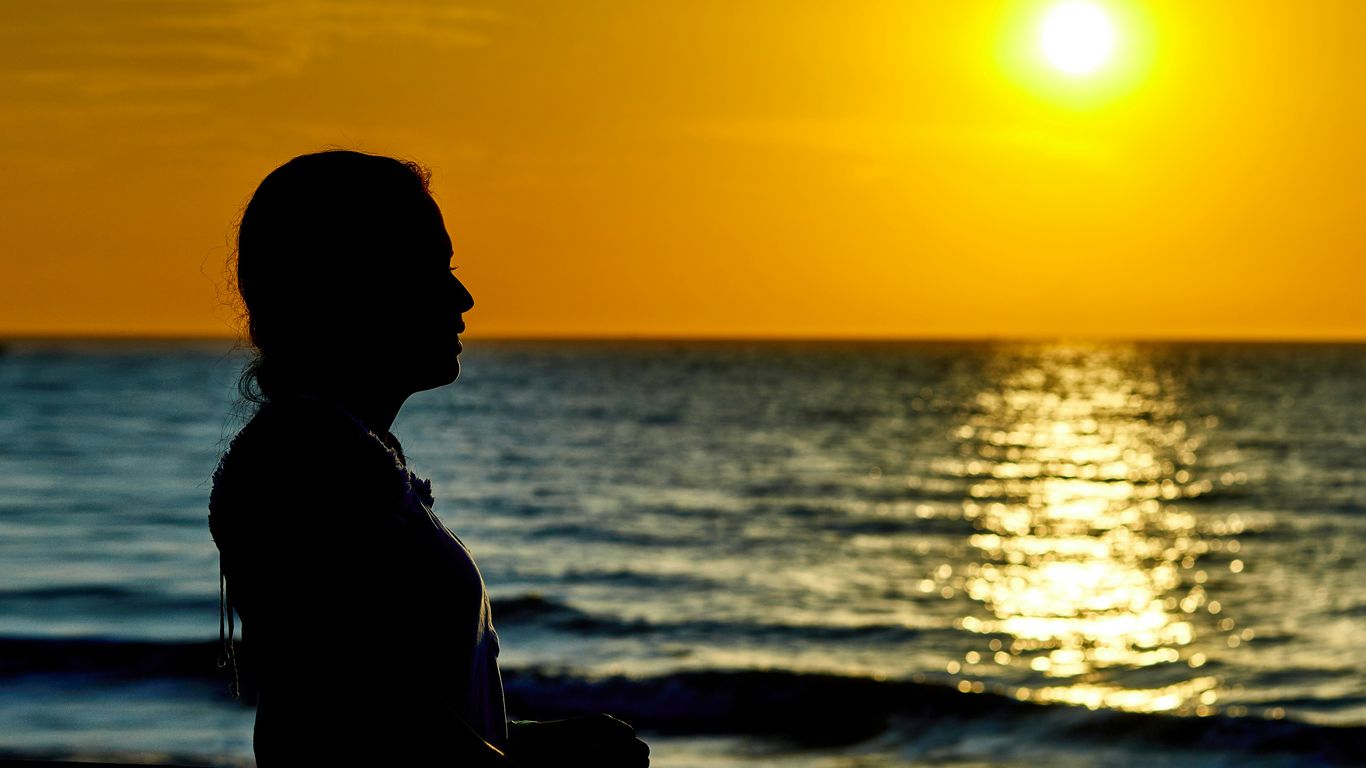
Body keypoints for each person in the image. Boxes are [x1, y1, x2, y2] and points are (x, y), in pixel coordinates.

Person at [208, 150, 650, 767]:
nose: (462, 297)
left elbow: (387, 711)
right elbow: (373, 740)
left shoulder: (338, 455)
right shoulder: (308, 464)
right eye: (432, 270)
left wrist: (532, 741)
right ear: (355, 286)